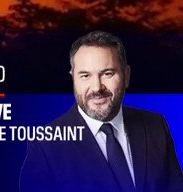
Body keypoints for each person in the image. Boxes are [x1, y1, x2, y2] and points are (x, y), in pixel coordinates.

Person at [20, 31, 183, 192]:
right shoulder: (45, 146)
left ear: (126, 76)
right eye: (85, 76)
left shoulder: (156, 126)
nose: (97, 87)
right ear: (73, 79)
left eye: (107, 73)